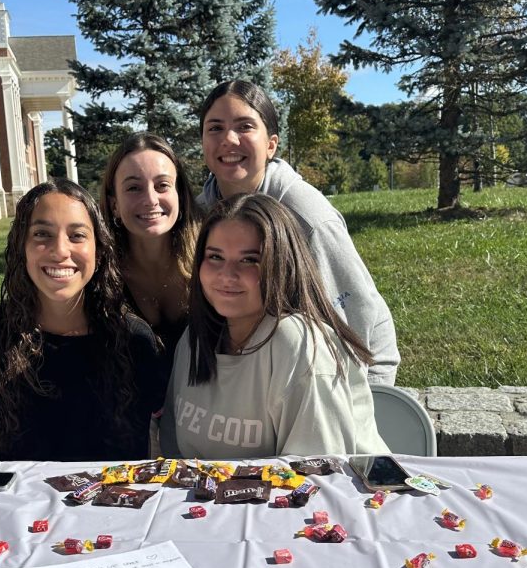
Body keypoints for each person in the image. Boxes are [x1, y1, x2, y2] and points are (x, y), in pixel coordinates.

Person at [197, 79, 400, 385]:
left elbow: (362, 323)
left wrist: (366, 407)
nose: (228, 139)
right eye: (215, 128)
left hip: (315, 388)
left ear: (271, 144)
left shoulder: (307, 218)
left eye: (245, 126)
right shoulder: (196, 217)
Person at [160, 192, 389, 460]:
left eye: (249, 260)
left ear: (283, 265)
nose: (227, 275)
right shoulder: (195, 338)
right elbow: (173, 456)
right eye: (215, 257)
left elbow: (314, 479)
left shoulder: (299, 343)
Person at [0, 179, 163, 463]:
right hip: (9, 507)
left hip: (110, 505)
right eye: (42, 234)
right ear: (21, 248)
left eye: (77, 236)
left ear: (99, 252)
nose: (60, 251)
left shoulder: (134, 341)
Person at [100, 133, 201, 355]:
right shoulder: (99, 276)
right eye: (134, 188)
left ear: (180, 197)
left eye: (162, 185)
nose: (150, 199)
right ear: (114, 204)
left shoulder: (210, 262)